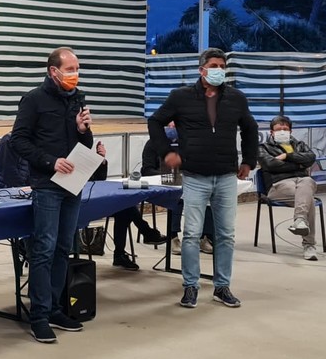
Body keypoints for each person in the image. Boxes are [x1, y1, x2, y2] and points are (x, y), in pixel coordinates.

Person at [147, 48, 258, 309]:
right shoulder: (180, 97)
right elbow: (155, 121)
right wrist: (166, 153)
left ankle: (222, 286)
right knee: (191, 234)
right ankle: (190, 286)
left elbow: (250, 128)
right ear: (202, 69)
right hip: (195, 176)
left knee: (225, 235)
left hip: (226, 176)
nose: (219, 70)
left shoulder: (236, 98)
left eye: (222, 66)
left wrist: (249, 161)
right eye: (214, 65)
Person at [10, 47, 92, 343]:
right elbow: (18, 140)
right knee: (43, 249)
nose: (75, 74)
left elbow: (85, 142)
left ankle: (56, 308)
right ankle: (39, 316)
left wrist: (83, 130)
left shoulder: (78, 98)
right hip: (46, 183)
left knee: (63, 248)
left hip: (73, 183)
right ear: (53, 71)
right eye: (69, 69)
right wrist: (50, 161)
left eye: (77, 68)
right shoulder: (34, 100)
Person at [141, 124, 214, 256]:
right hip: (162, 184)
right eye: (171, 123)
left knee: (207, 194)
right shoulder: (152, 143)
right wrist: (167, 174)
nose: (174, 126)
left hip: (187, 181)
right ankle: (173, 236)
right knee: (177, 197)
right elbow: (147, 170)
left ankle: (205, 237)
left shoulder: (187, 143)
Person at [257, 115, 319, 261]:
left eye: (285, 129)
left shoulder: (300, 145)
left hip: (302, 184)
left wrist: (286, 156)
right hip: (278, 186)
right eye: (279, 129)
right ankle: (309, 245)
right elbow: (270, 165)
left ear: (291, 131)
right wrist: (299, 164)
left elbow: (311, 158)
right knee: (308, 199)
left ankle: (300, 221)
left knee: (307, 182)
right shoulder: (263, 148)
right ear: (272, 132)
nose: (282, 131)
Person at [106, 140, 166, 271]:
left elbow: (99, 177)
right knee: (124, 207)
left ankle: (120, 253)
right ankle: (147, 232)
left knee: (124, 208)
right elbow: (147, 170)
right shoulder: (152, 144)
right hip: (82, 199)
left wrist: (102, 161)